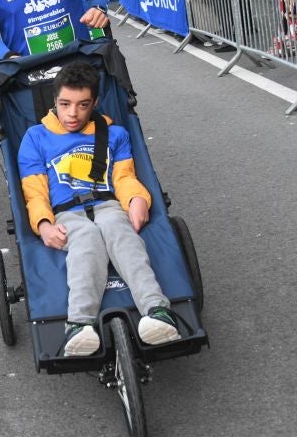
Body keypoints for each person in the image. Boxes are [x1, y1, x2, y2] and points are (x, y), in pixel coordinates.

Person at [17, 63, 180, 356]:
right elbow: (34, 190)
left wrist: (137, 200)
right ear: (54, 100)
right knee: (87, 241)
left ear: (94, 103)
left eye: (82, 105)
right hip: (65, 212)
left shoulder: (113, 134)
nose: (72, 113)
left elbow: (125, 177)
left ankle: (156, 310)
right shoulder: (35, 138)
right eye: (65, 104)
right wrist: (42, 224)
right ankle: (79, 324)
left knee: (122, 235)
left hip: (107, 203)